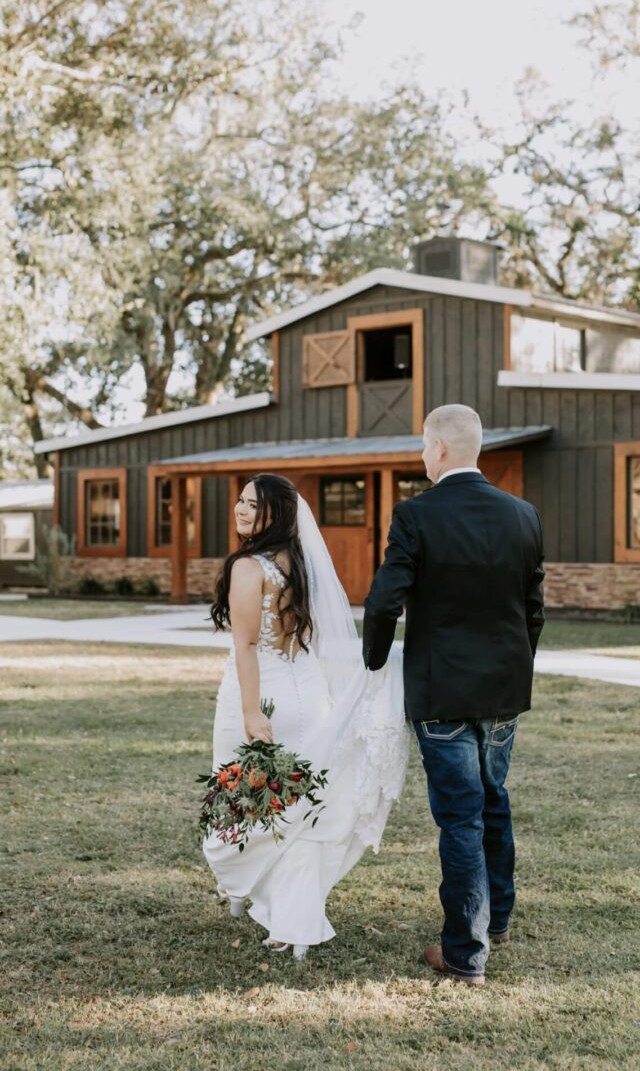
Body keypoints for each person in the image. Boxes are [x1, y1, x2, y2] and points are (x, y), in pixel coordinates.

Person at [363, 404, 545, 986]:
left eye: (423, 446)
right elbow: (533, 610)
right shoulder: (524, 515)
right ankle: (498, 921)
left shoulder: (415, 515)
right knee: (494, 799)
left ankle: (465, 953)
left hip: (441, 691)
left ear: (440, 448)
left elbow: (383, 601)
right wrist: (515, 666)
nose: (422, 457)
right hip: (502, 690)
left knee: (461, 817)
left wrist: (372, 662)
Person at [203, 473, 409, 959]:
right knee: (299, 810)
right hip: (308, 696)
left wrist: (252, 712)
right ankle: (290, 917)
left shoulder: (248, 568)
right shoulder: (300, 565)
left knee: (249, 805)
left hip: (260, 696)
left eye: (252, 504)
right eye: (239, 501)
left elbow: (248, 645)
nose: (240, 509)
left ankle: (246, 890)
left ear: (274, 513)